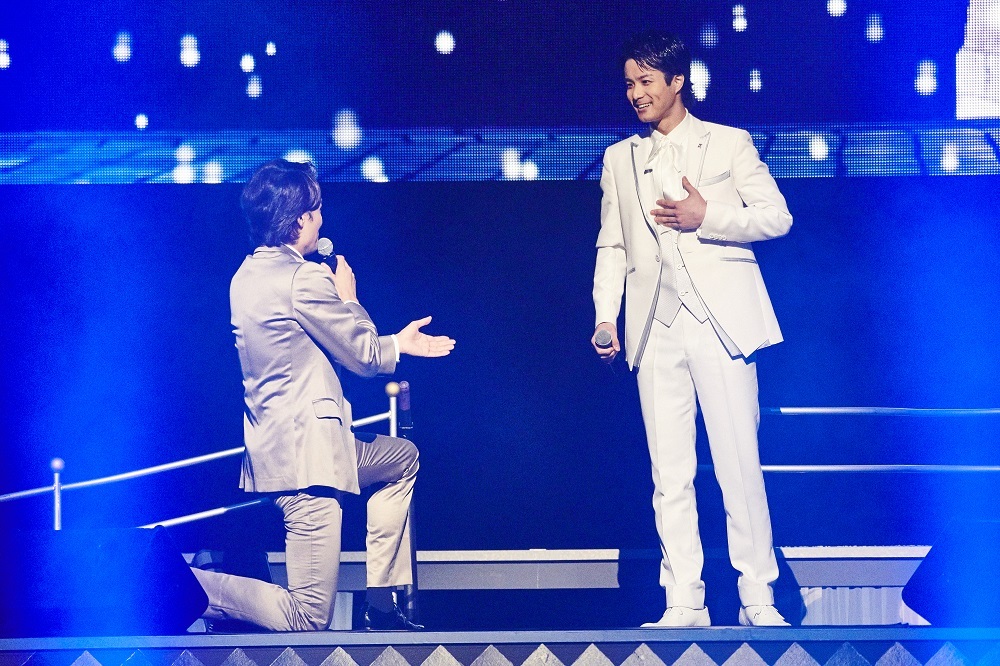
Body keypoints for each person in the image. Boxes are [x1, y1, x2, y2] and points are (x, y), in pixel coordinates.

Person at [191, 159, 455, 632]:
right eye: (315, 211)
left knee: (401, 458)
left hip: (293, 446)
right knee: (308, 617)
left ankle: (382, 601)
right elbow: (364, 356)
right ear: (297, 221)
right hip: (307, 462)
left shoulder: (245, 276)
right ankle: (184, 584)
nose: (320, 220)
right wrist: (353, 300)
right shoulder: (301, 279)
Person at [591, 31, 792, 627]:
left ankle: (758, 597)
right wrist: (605, 315)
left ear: (677, 81)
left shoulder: (729, 143)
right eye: (629, 84)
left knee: (738, 466)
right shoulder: (620, 158)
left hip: (721, 325)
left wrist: (710, 216)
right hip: (654, 328)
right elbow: (612, 243)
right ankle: (684, 598)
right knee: (669, 474)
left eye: (646, 82)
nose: (636, 94)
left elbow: (776, 217)